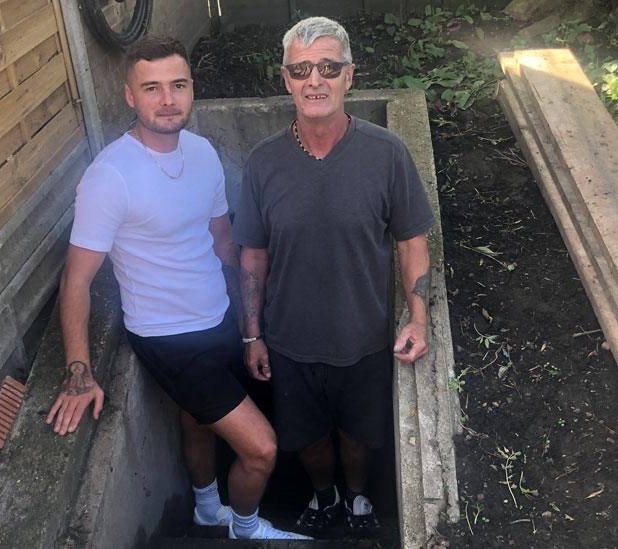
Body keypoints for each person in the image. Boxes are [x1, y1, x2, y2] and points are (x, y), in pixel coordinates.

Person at [44, 36, 309, 541]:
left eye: (178, 85)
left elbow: (223, 240)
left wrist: (252, 322)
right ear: (129, 96)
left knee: (197, 420)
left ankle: (208, 509)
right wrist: (80, 372)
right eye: (152, 88)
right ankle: (247, 530)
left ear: (191, 89)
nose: (167, 99)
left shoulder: (203, 153)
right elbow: (76, 278)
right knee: (261, 449)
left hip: (218, 315)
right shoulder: (110, 177)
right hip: (167, 336)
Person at [234, 17, 434, 534]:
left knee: (358, 433)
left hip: (364, 336)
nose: (315, 80)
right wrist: (252, 334)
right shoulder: (262, 163)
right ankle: (324, 499)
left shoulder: (385, 153)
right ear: (286, 79)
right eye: (302, 69)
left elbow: (412, 239)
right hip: (290, 340)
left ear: (350, 76)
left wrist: (418, 318)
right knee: (307, 437)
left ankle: (360, 498)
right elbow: (253, 255)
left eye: (328, 67)